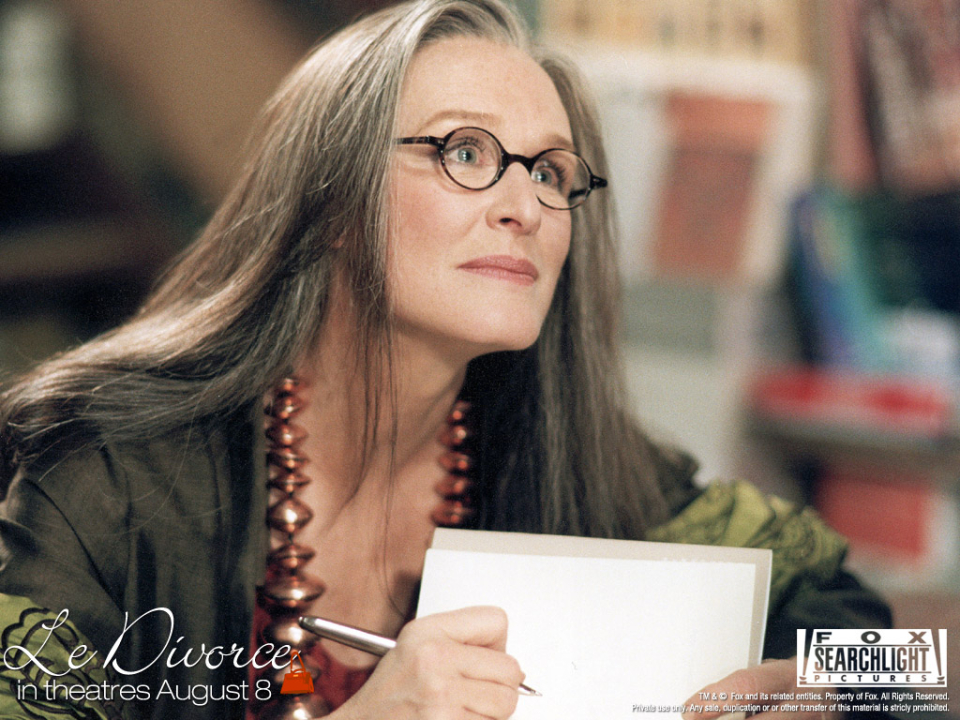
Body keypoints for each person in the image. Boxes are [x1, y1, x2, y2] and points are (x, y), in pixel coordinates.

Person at [0, 0, 890, 718]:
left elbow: (911, 663)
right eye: (467, 152)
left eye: (551, 172)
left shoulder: (583, 460)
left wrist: (835, 690)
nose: (525, 207)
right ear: (333, 204)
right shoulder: (98, 472)